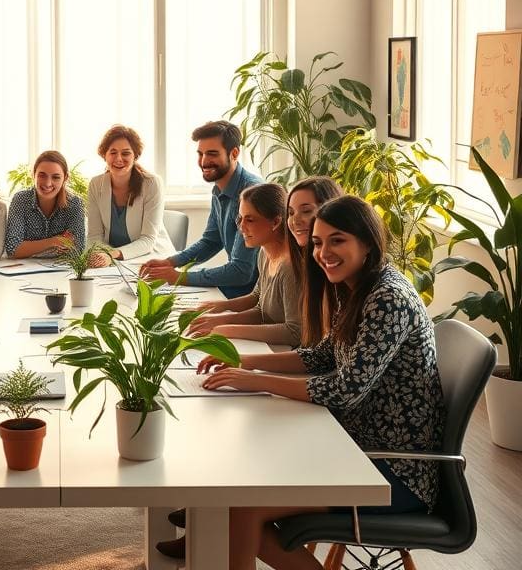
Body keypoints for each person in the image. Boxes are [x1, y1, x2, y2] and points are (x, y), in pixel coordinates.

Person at [180, 196, 445, 569]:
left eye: (337, 241)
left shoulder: (387, 298)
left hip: (390, 471)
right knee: (240, 474)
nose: (323, 252)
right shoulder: (356, 286)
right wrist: (240, 360)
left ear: (367, 242)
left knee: (237, 509)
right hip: (351, 445)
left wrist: (255, 380)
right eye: (318, 242)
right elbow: (320, 357)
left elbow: (345, 390)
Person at [141, 121, 261, 296]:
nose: (204, 161)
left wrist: (179, 278)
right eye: (200, 154)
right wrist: (169, 263)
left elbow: (241, 272)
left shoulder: (252, 193)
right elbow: (211, 241)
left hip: (249, 296)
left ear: (234, 153)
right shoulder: (219, 188)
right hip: (234, 289)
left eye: (212, 154)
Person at [185, 183, 301, 347]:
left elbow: (295, 333)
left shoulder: (290, 268)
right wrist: (218, 313)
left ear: (275, 222)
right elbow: (259, 303)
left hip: (289, 355)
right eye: (240, 219)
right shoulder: (264, 253)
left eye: (250, 219)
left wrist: (227, 329)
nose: (241, 228)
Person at [86, 125, 174, 266]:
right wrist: (104, 256)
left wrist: (111, 255)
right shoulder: (96, 184)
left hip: (149, 258)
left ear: (135, 156)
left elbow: (148, 240)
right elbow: (94, 236)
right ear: (105, 155)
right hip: (111, 262)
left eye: (126, 153)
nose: (119, 159)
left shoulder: (152, 183)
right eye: (113, 152)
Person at [286, 176, 344, 344]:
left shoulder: (339, 270)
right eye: (290, 213)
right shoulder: (311, 265)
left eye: (306, 211)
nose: (295, 220)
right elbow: (321, 353)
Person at [3, 150, 85, 258]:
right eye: (42, 175)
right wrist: (55, 241)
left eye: (56, 177)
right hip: (24, 270)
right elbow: (12, 249)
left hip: (61, 271)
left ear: (65, 178)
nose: (47, 183)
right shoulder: (21, 200)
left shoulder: (74, 203)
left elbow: (76, 249)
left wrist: (28, 247)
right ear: (33, 175)